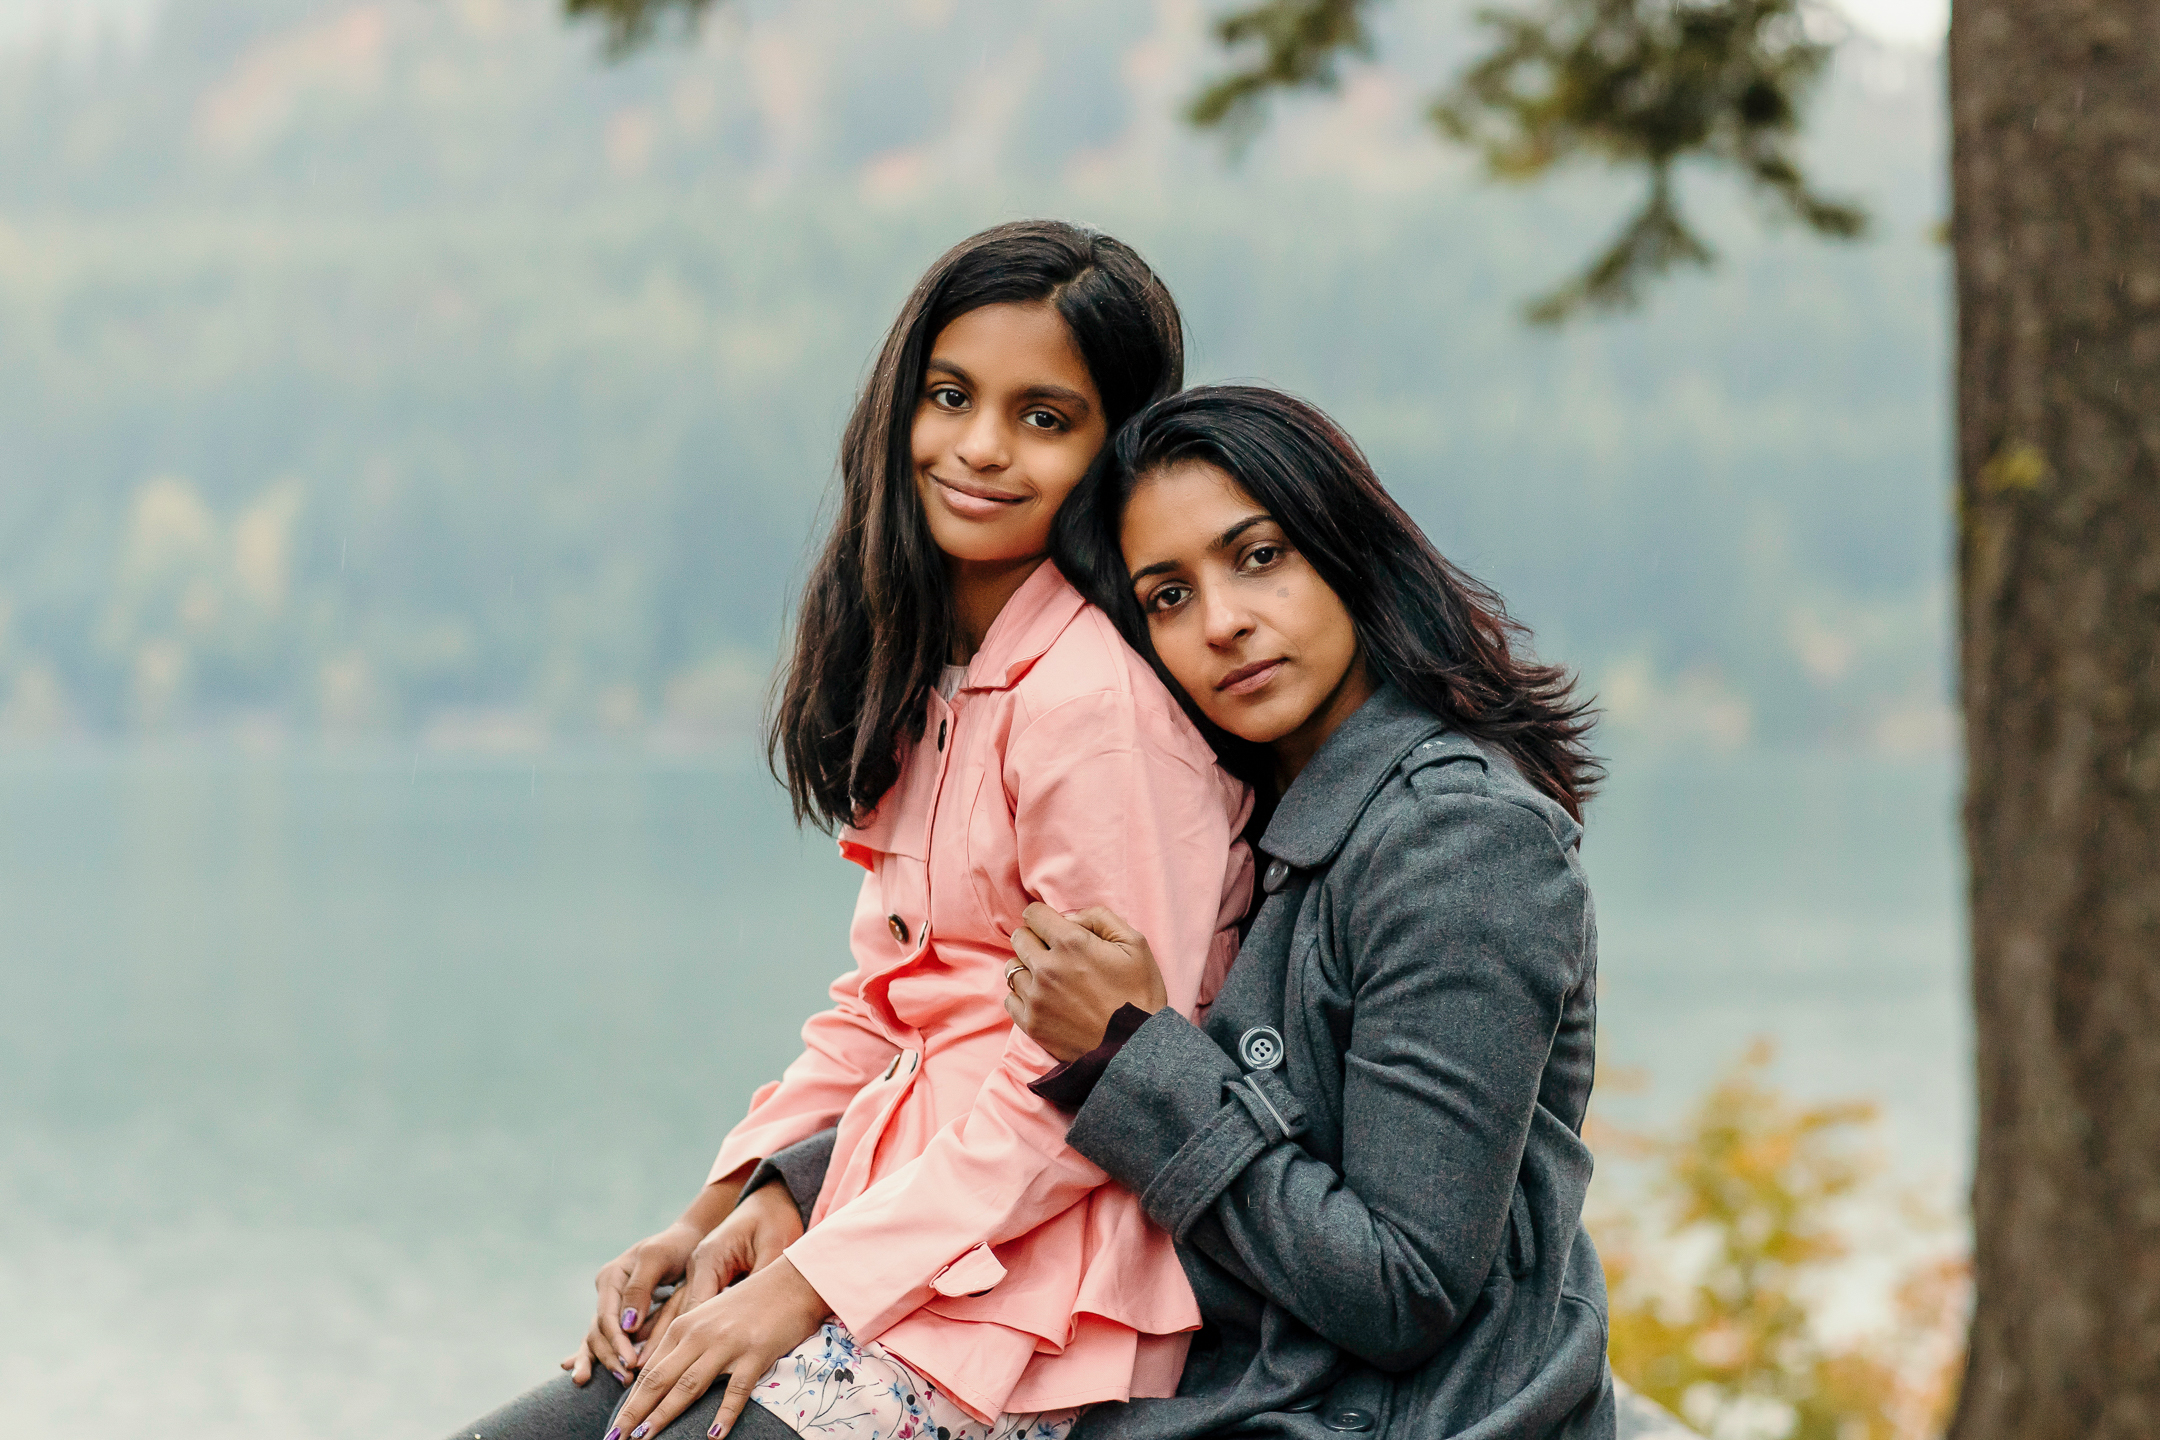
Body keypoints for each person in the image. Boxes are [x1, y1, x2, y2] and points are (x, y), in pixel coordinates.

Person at [447, 224, 1252, 1440]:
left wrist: (798, 1287)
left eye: (1046, 417)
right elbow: (886, 1007)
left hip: (1025, 1302)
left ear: (1114, 451)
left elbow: (1102, 1089)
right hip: (877, 1234)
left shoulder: (1095, 706)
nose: (979, 447)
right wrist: (708, 1212)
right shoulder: (950, 675)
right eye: (949, 396)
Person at [996, 384, 1617, 1439]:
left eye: (1259, 556)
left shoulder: (1458, 843)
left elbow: (1403, 1286)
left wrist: (1135, 1052)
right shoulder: (1247, 825)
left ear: (1348, 548)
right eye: (1167, 597)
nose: (1224, 623)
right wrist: (780, 1198)